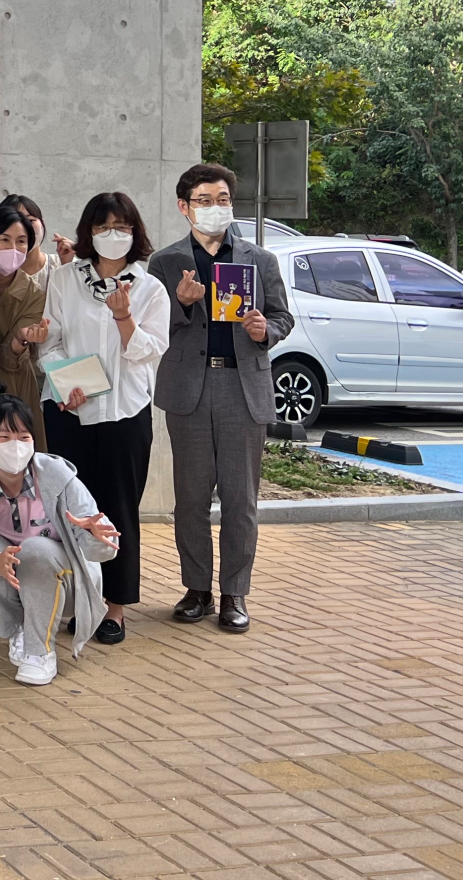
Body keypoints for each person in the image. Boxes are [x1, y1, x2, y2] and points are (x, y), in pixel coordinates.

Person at [149, 163, 294, 634]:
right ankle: (197, 589)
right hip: (189, 388)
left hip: (242, 386)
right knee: (189, 499)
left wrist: (264, 330)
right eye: (205, 201)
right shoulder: (166, 262)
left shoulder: (260, 260)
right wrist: (183, 303)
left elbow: (282, 318)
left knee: (240, 498)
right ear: (184, 207)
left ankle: (235, 593)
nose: (216, 208)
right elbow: (152, 328)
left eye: (223, 199)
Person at [39, 192, 172, 644]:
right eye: (102, 228)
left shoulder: (149, 289)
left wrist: (124, 318)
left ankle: (114, 607)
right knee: (71, 510)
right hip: (67, 410)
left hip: (124, 413)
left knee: (116, 510)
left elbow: (148, 352)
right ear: (87, 233)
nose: (112, 235)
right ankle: (79, 599)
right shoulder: (64, 279)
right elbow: (50, 340)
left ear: (135, 233)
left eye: (122, 227)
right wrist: (63, 384)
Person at [0, 395, 120, 687]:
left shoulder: (58, 478)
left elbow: (102, 552)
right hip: (17, 589)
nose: (16, 445)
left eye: (24, 436)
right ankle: (20, 630)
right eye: (4, 436)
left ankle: (41, 652)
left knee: (35, 549)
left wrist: (93, 536)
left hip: (67, 587)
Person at [0, 204, 49, 451]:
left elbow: (10, 357)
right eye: (4, 240)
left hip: (12, 380)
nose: (14, 249)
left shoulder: (33, 292)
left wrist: (20, 339)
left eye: (21, 242)